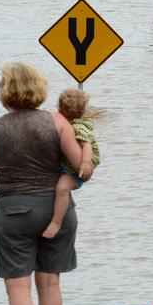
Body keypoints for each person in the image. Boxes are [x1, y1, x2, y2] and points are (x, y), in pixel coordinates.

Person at [0, 62, 91, 305]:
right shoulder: (57, 122)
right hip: (56, 208)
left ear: (5, 91)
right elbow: (80, 167)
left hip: (13, 209)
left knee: (18, 285)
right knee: (50, 283)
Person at [42, 88, 100, 240]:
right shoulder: (65, 125)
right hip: (68, 167)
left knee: (62, 188)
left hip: (77, 171)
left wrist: (86, 163)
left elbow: (86, 145)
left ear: (59, 106)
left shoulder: (76, 127)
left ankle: (56, 222)